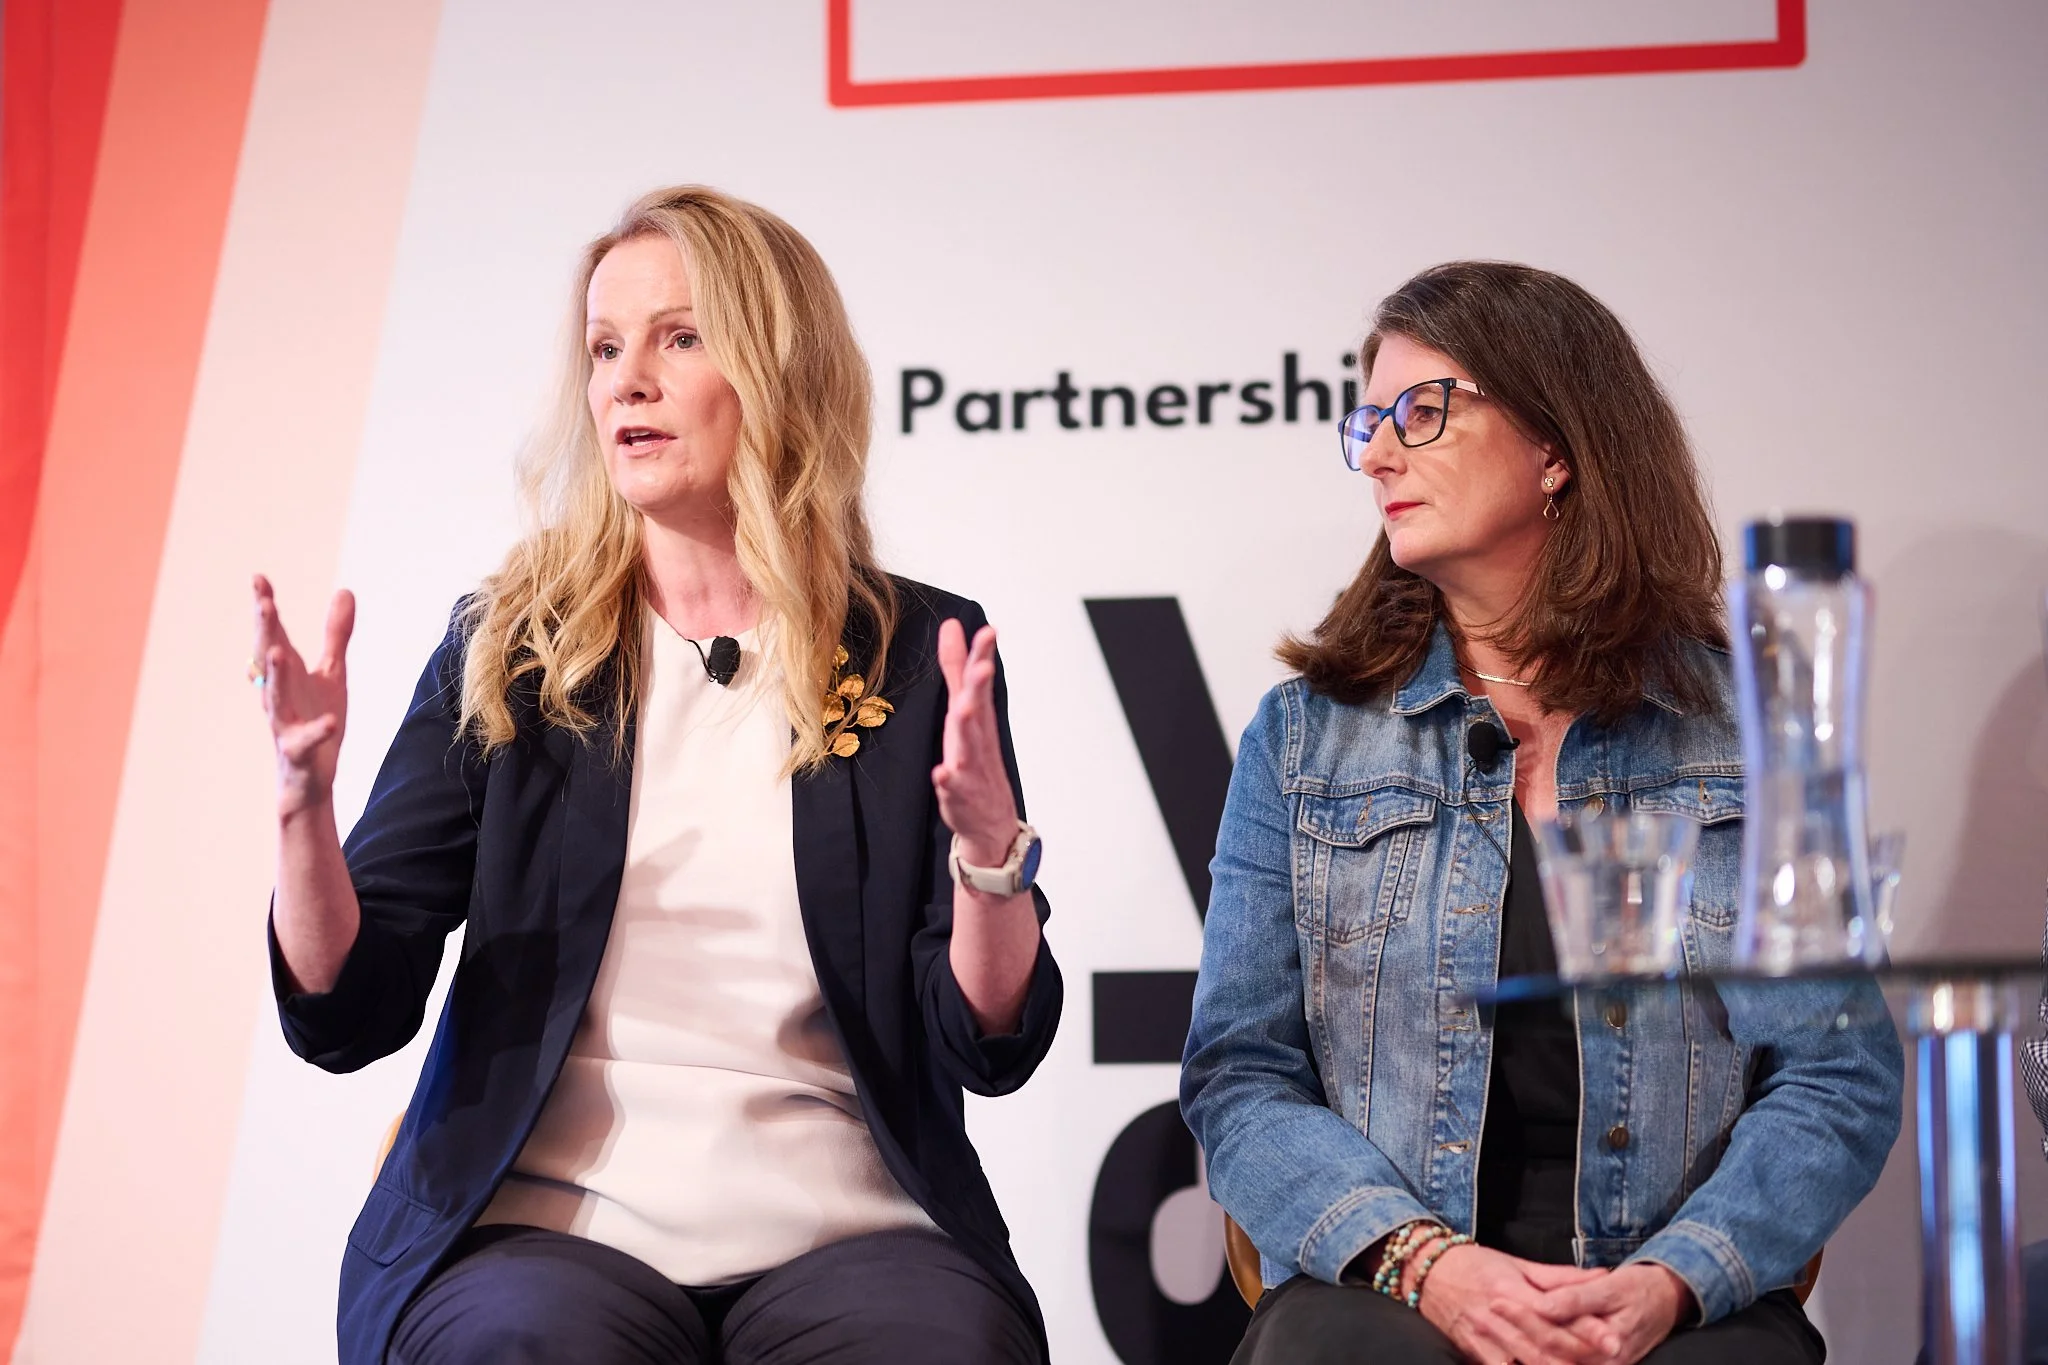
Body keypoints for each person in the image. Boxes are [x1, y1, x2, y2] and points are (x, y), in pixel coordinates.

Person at [251, 186, 1060, 1365]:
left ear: (780, 371)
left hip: (849, 1230)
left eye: (679, 338)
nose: (627, 379)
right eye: (605, 347)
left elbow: (983, 1043)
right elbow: (347, 1002)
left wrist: (992, 868)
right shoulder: (513, 649)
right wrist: (301, 813)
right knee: (527, 1345)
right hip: (542, 1225)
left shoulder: (912, 652)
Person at [1181, 261, 1903, 1365]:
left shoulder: (1744, 738)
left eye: (1419, 413)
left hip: (1673, 1294)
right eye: (1366, 422)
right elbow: (1240, 1075)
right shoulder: (1304, 738)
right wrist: (1427, 1265)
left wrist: (1679, 1276)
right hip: (1392, 1286)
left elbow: (1832, 1072)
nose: (1375, 453)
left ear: (1555, 447)